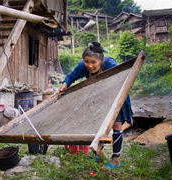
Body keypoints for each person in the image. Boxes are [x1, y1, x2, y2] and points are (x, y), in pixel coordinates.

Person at [57, 42, 133, 170]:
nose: (90, 65)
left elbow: (120, 80)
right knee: (95, 124)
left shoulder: (110, 64)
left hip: (116, 96)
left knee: (116, 125)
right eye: (87, 61)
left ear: (101, 60)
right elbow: (71, 76)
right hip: (99, 98)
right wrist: (64, 85)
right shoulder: (83, 66)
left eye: (93, 62)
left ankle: (116, 160)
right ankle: (100, 153)